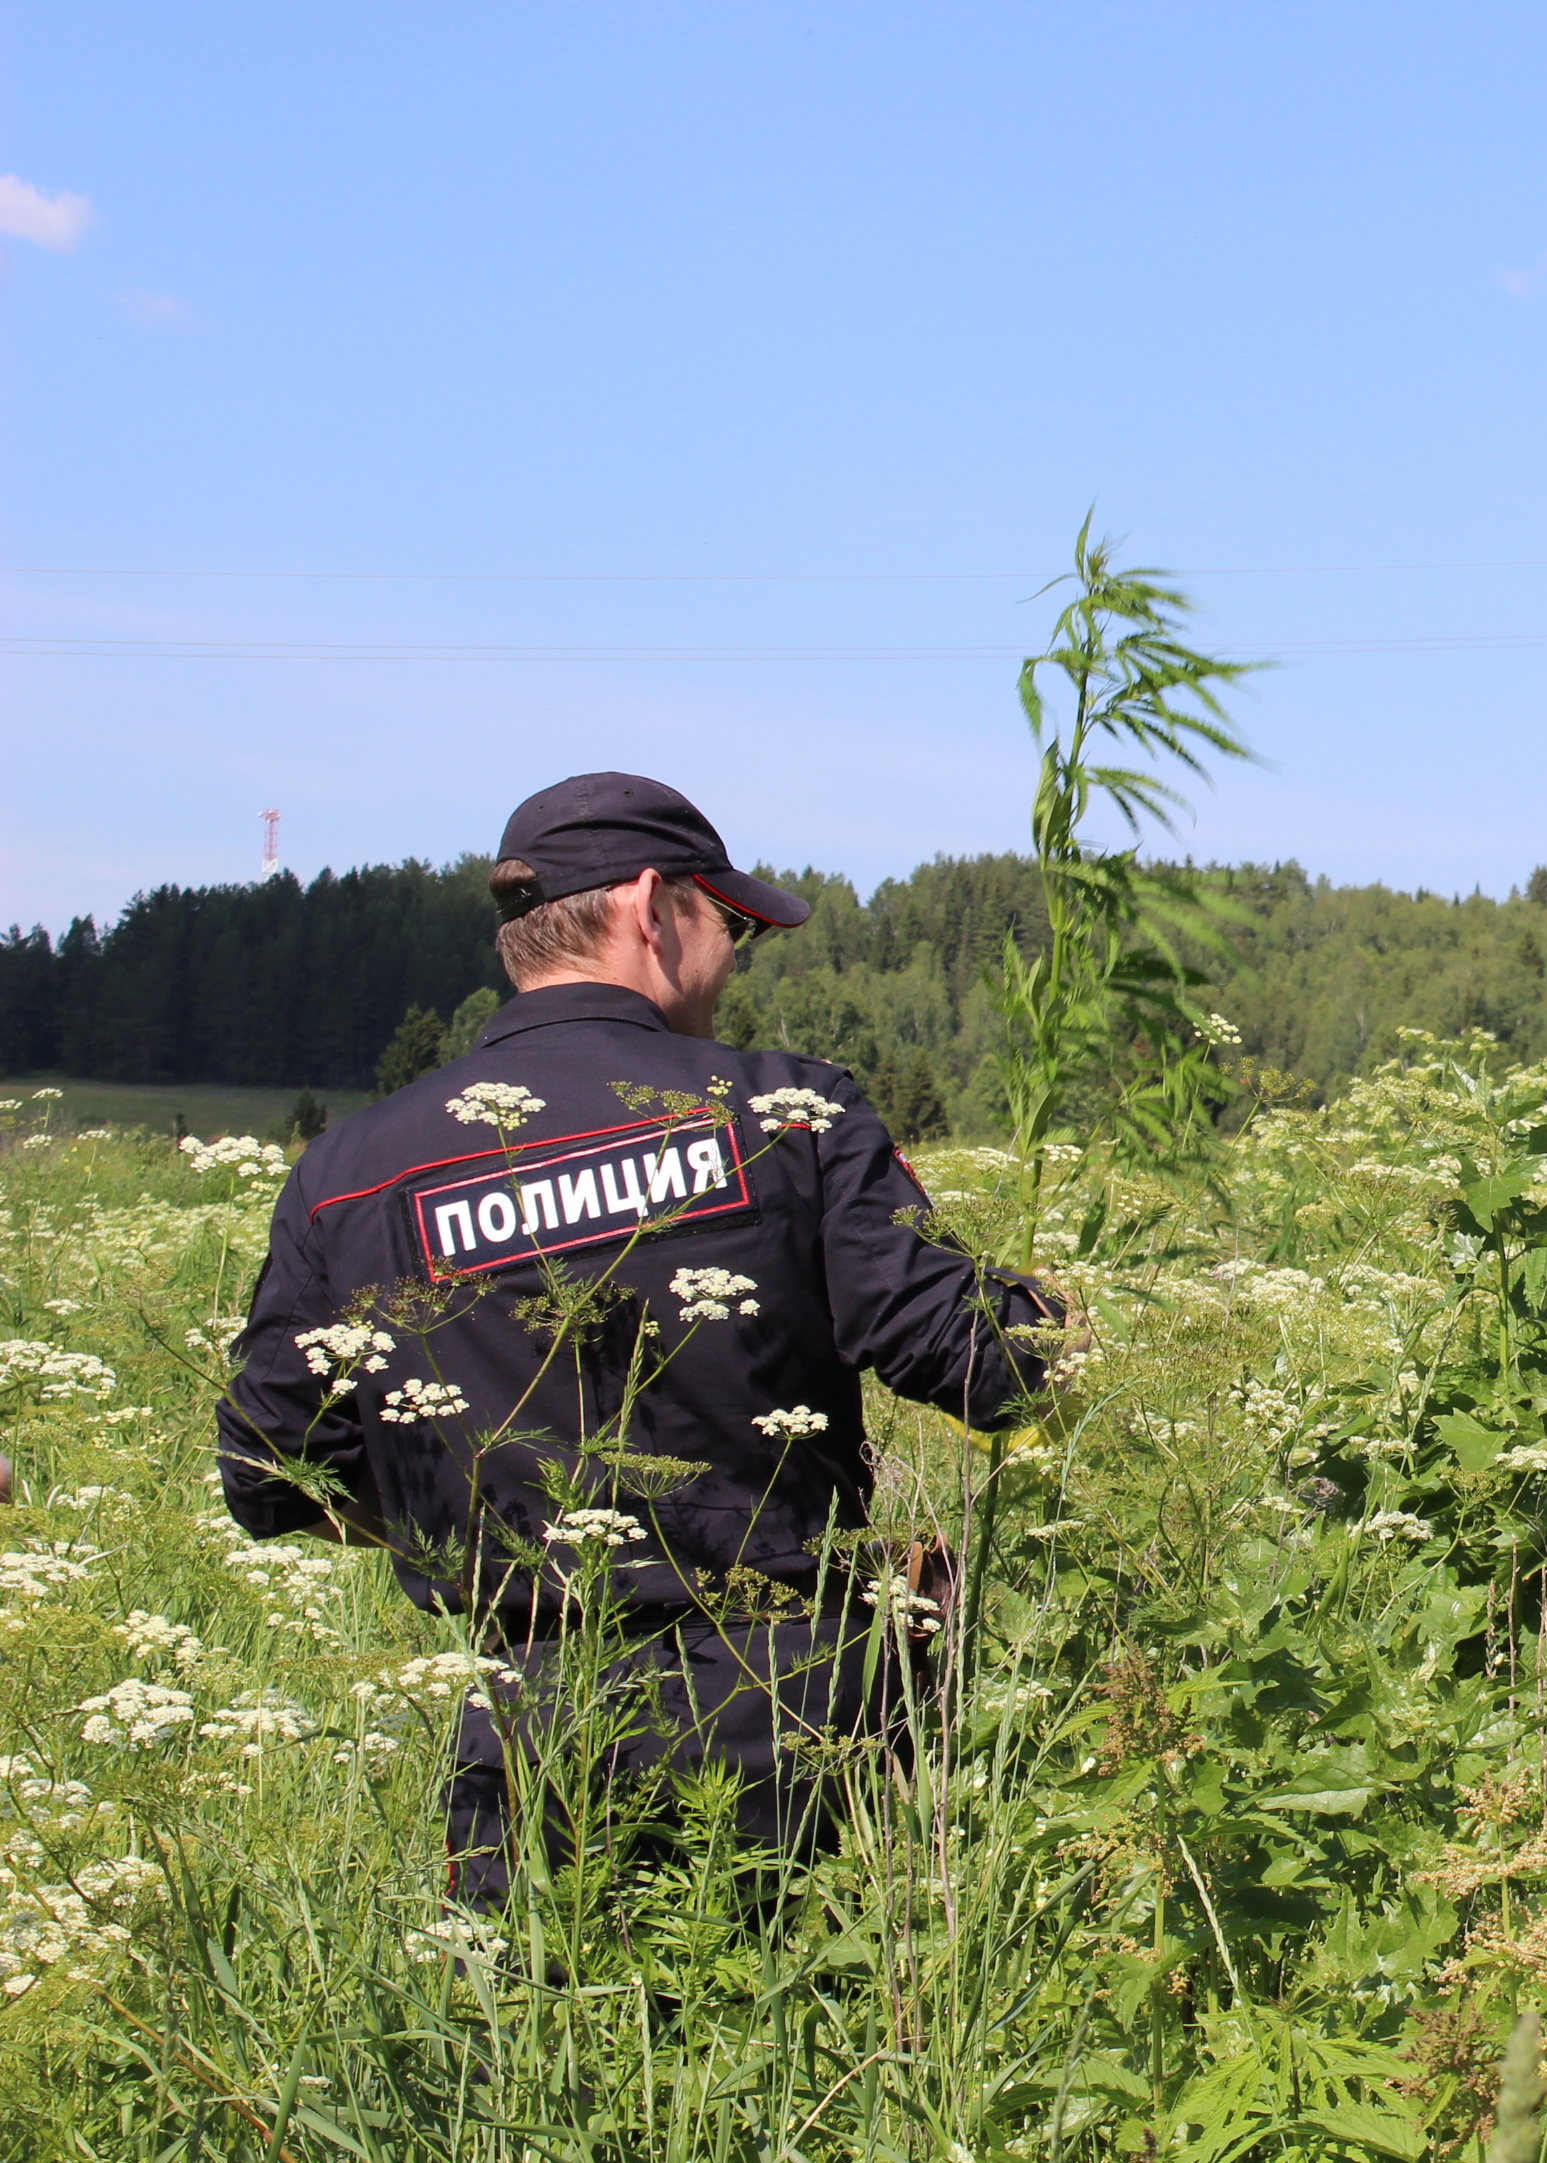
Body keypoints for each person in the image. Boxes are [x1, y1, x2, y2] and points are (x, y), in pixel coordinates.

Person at [215, 772, 1063, 1905]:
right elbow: (982, 1364)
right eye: (732, 928)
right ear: (654, 909)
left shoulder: (351, 1173)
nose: (729, 964)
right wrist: (1065, 1323)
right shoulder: (781, 1115)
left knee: (555, 2061)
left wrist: (466, 1524)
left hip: (521, 1738)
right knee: (793, 2052)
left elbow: (269, 1477)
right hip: (793, 1721)